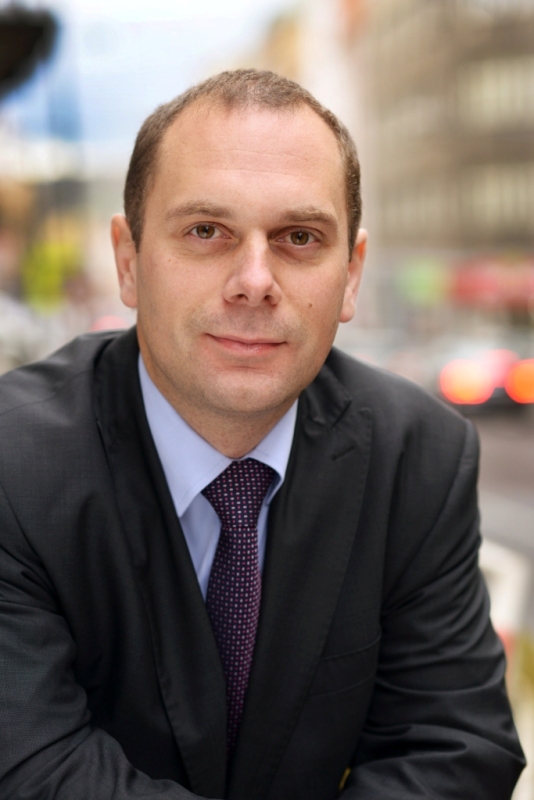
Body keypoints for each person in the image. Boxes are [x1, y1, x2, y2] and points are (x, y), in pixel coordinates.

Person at [0, 69, 524, 800]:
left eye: (299, 237)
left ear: (351, 275)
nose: (254, 279)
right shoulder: (13, 464)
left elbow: (455, 748)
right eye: (206, 231)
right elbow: (32, 768)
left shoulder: (419, 456)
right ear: (128, 260)